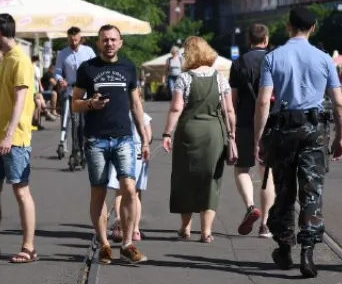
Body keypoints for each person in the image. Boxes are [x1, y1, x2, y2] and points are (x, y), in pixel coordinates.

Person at [254, 6, 342, 278]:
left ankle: (284, 247)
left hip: (283, 130)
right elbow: (339, 103)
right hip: (315, 130)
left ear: (288, 26)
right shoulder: (323, 59)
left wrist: (259, 140)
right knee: (312, 191)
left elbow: (263, 101)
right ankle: (308, 252)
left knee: (284, 190)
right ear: (313, 28)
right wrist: (340, 137)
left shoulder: (273, 58)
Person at [73, 24, 150, 265]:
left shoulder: (128, 67)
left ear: (120, 43)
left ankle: (127, 243)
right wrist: (89, 104)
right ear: (98, 43)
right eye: (105, 40)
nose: (109, 43)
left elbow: (136, 105)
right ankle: (104, 244)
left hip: (124, 138)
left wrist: (145, 139)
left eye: (113, 40)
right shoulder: (87, 69)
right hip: (96, 139)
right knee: (99, 191)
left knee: (128, 187)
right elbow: (74, 102)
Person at [162, 36, 237, 244]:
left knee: (184, 178)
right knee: (211, 180)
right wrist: (232, 135)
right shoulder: (220, 78)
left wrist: (167, 133)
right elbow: (228, 109)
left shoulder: (184, 79)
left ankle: (185, 228)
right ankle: (206, 231)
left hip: (188, 131)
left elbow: (176, 108)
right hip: (215, 133)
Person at [0, 14, 38, 264]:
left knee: (21, 190)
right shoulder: (5, 60)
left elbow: (21, 101)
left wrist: (9, 134)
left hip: (14, 138)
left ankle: (29, 247)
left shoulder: (21, 61)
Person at [229, 23, 275, 238]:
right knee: (267, 173)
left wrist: (231, 126)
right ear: (266, 39)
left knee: (241, 168)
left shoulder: (238, 63)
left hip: (246, 122)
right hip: (271, 121)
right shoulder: (275, 59)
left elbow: (234, 99)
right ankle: (265, 224)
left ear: (249, 40)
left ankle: (250, 206)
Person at [108, 97, 153, 243]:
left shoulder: (117, 113)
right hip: (139, 150)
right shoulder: (144, 116)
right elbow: (149, 136)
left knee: (120, 191)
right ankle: (135, 230)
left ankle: (119, 224)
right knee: (135, 193)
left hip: (121, 148)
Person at [54, 26, 96, 162]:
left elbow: (95, 67)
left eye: (76, 39)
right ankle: (75, 149)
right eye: (71, 40)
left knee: (85, 122)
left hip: (86, 93)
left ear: (80, 38)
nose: (74, 43)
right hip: (71, 91)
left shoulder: (88, 51)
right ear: (68, 39)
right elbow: (58, 72)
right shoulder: (62, 54)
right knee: (74, 122)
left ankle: (85, 148)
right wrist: (60, 80)